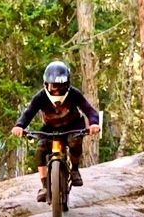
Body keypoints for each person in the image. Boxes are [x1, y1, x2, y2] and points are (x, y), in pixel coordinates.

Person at [11, 61, 101, 202]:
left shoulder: (74, 94)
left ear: (67, 84)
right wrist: (19, 126)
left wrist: (94, 123)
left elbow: (89, 110)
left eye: (61, 85)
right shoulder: (41, 96)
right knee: (40, 150)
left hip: (73, 125)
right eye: (53, 86)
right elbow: (28, 113)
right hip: (50, 128)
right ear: (46, 84)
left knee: (75, 141)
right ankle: (44, 185)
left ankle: (75, 169)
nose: (57, 90)